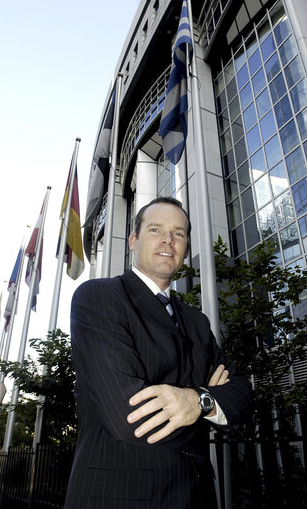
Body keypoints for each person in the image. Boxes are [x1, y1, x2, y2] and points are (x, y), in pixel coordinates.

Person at [64, 197, 252, 509]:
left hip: (197, 497)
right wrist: (211, 402)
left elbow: (243, 393)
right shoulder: (99, 297)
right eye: (156, 230)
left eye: (178, 233)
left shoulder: (197, 322)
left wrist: (196, 401)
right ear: (133, 240)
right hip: (122, 497)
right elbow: (129, 415)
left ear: (186, 247)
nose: (168, 240)